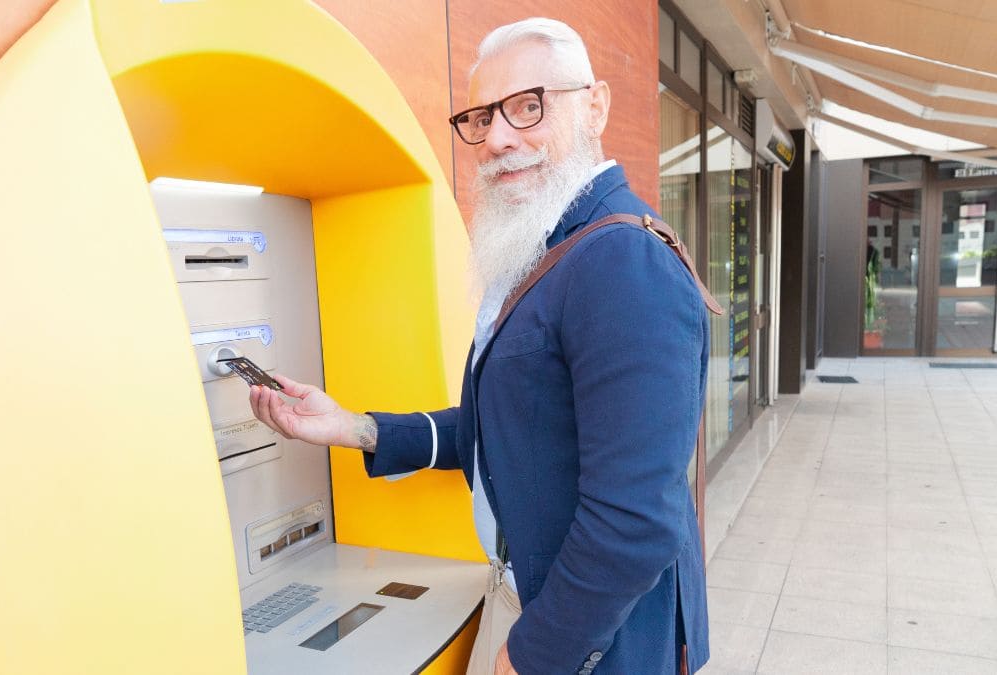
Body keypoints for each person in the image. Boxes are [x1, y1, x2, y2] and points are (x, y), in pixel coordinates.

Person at [249, 18, 711, 675]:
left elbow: (632, 523)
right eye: (481, 117)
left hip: (594, 643)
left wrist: (526, 658)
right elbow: (505, 429)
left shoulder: (622, 265)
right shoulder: (546, 245)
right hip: (539, 609)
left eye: (528, 106)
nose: (497, 138)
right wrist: (354, 427)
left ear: (596, 105)